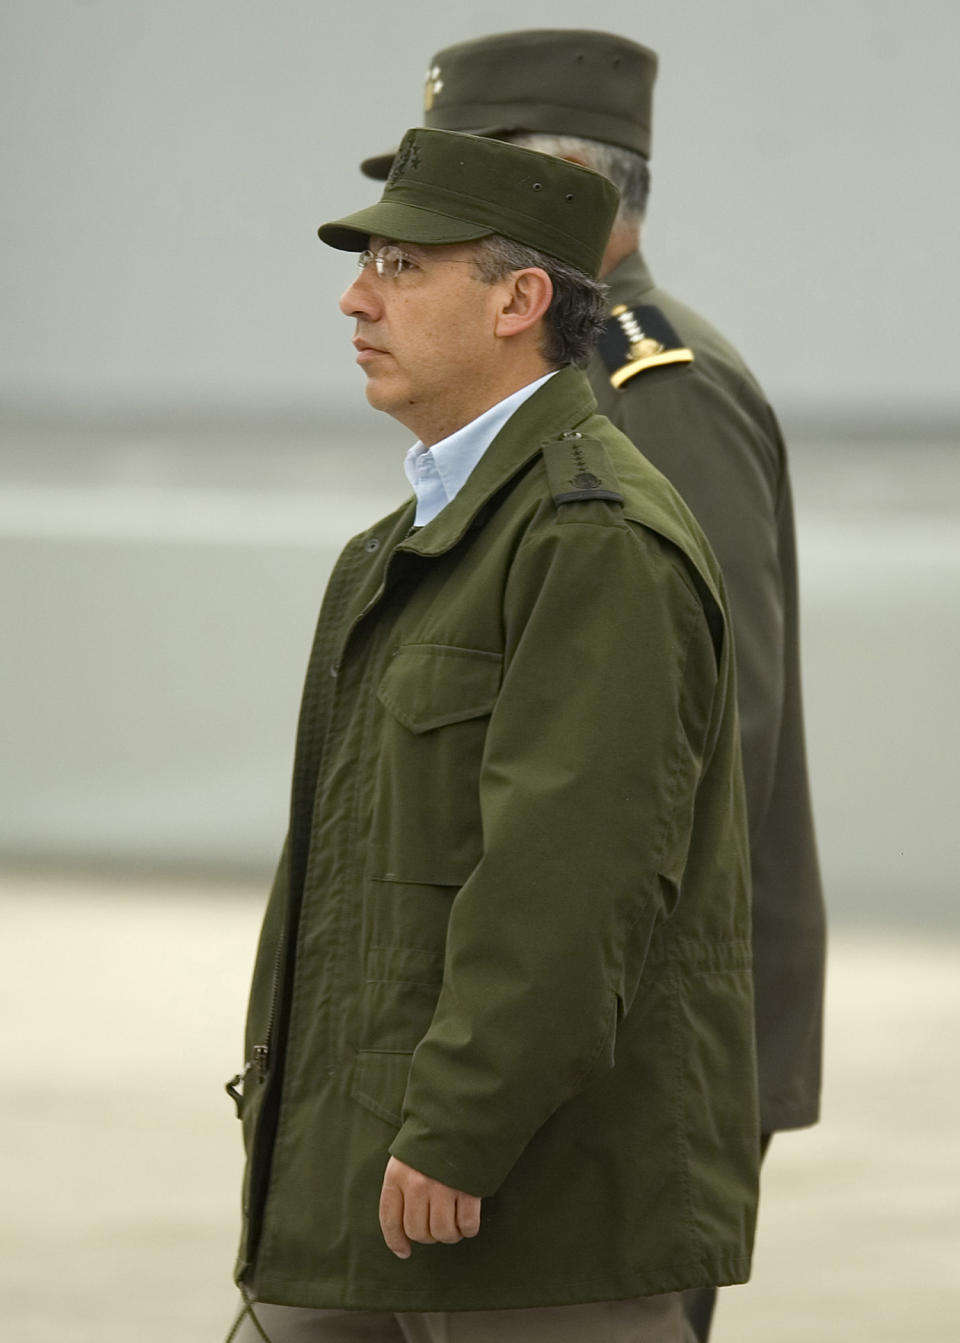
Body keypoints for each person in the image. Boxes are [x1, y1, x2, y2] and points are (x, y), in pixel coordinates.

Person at [225, 127, 759, 1343]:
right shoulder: (416, 540)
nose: (357, 296)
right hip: (370, 1185)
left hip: (526, 1219)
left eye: (406, 267)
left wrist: (459, 1124)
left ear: (521, 298)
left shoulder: (594, 539)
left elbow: (570, 882)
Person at [360, 31, 827, 1340]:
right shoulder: (548, 388)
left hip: (628, 1032)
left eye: (462, 196)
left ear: (572, 197)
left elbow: (688, 738)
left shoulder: (646, 390)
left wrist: (535, 1041)